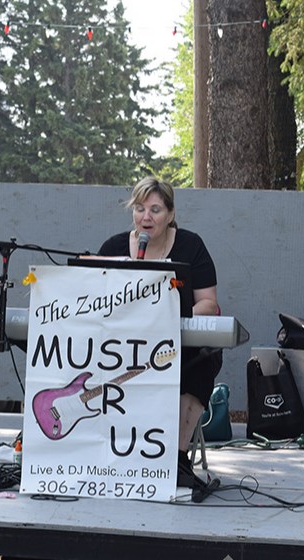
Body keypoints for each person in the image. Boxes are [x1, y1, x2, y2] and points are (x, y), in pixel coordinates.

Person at [98, 176, 222, 491]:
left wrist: (168, 320)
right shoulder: (113, 248)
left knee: (207, 356)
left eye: (155, 209)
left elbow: (209, 304)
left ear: (170, 213)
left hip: (174, 346)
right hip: (122, 348)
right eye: (139, 209)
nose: (146, 217)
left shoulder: (191, 246)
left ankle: (177, 459)